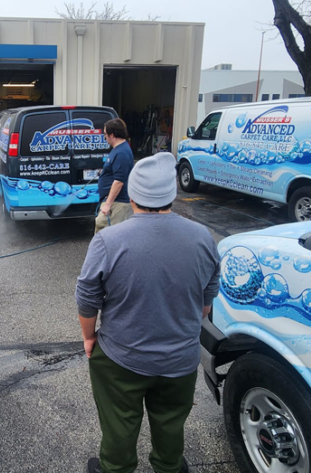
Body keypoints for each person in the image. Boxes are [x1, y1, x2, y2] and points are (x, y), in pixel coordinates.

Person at [76, 152, 220, 473]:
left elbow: (87, 296)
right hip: (180, 359)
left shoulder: (109, 240)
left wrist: (88, 337)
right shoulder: (202, 238)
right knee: (171, 423)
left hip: (121, 357)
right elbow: (206, 302)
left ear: (133, 194)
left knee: (119, 423)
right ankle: (168, 466)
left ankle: (115, 466)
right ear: (172, 194)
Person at [95, 118, 134, 234]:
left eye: (105, 134)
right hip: (113, 201)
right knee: (102, 229)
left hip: (118, 203)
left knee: (110, 233)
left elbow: (119, 181)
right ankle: (101, 252)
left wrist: (108, 204)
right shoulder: (118, 150)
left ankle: (102, 252)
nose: (105, 137)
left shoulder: (121, 153)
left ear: (112, 135)